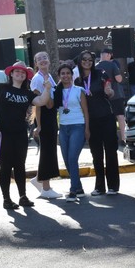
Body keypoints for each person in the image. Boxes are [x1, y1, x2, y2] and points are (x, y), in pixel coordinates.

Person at [0, 61, 52, 210]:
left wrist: (47, 88)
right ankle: (6, 199)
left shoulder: (26, 93)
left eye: (23, 72)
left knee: (20, 165)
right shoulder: (1, 88)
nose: (20, 74)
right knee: (5, 166)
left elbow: (41, 101)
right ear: (11, 74)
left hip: (20, 133)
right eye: (17, 71)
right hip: (1, 133)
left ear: (26, 76)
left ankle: (22, 197)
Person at [75, 50, 120, 196]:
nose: (87, 62)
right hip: (91, 120)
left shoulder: (101, 73)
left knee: (111, 152)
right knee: (96, 154)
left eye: (90, 59)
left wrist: (109, 91)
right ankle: (100, 186)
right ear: (80, 61)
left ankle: (113, 186)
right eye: (84, 59)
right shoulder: (77, 81)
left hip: (106, 116)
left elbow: (109, 88)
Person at [54, 63, 90, 202]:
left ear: (72, 75)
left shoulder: (79, 90)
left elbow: (86, 111)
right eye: (62, 73)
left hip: (78, 126)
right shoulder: (56, 91)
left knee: (72, 158)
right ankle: (79, 187)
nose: (65, 76)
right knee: (67, 160)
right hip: (63, 128)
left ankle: (73, 190)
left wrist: (87, 128)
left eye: (68, 73)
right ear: (59, 76)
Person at [29, 51, 62, 199]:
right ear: (36, 64)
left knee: (50, 150)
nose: (43, 60)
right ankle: (46, 188)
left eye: (45, 58)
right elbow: (38, 105)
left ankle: (38, 179)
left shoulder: (48, 77)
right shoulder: (37, 79)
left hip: (51, 116)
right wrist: (39, 125)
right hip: (45, 118)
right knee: (47, 152)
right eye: (39, 59)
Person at [96, 47, 126, 144]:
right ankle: (124, 138)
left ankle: (105, 139)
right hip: (116, 95)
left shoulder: (95, 67)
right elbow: (119, 79)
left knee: (105, 119)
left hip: (102, 96)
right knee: (120, 117)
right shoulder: (113, 65)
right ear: (109, 55)